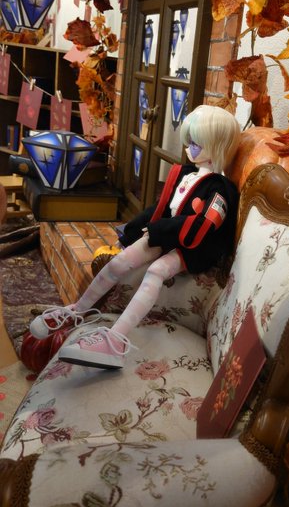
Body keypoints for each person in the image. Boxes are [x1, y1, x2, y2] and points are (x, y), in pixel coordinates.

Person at [29, 105, 241, 369]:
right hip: (169, 234)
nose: (189, 147)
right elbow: (161, 208)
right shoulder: (186, 174)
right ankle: (77, 310)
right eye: (188, 140)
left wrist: (159, 229)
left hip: (195, 246)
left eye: (196, 143)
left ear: (217, 145)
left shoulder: (220, 189)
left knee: (156, 270)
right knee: (120, 261)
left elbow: (203, 225)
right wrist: (131, 232)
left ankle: (115, 340)